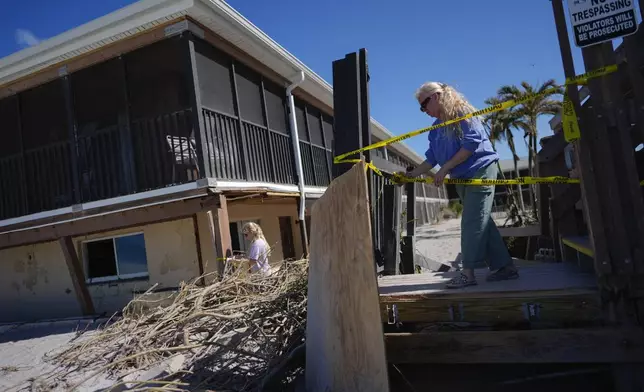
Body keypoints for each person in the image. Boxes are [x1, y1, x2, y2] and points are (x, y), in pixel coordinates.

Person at [404, 81, 519, 288]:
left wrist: (446, 167)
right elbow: (431, 159)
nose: (424, 111)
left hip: (481, 171)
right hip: (462, 177)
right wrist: (410, 175)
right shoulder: (435, 129)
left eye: (424, 105)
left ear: (436, 97)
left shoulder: (462, 112)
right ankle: (505, 267)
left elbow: (471, 144)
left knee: (472, 221)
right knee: (482, 220)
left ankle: (468, 273)